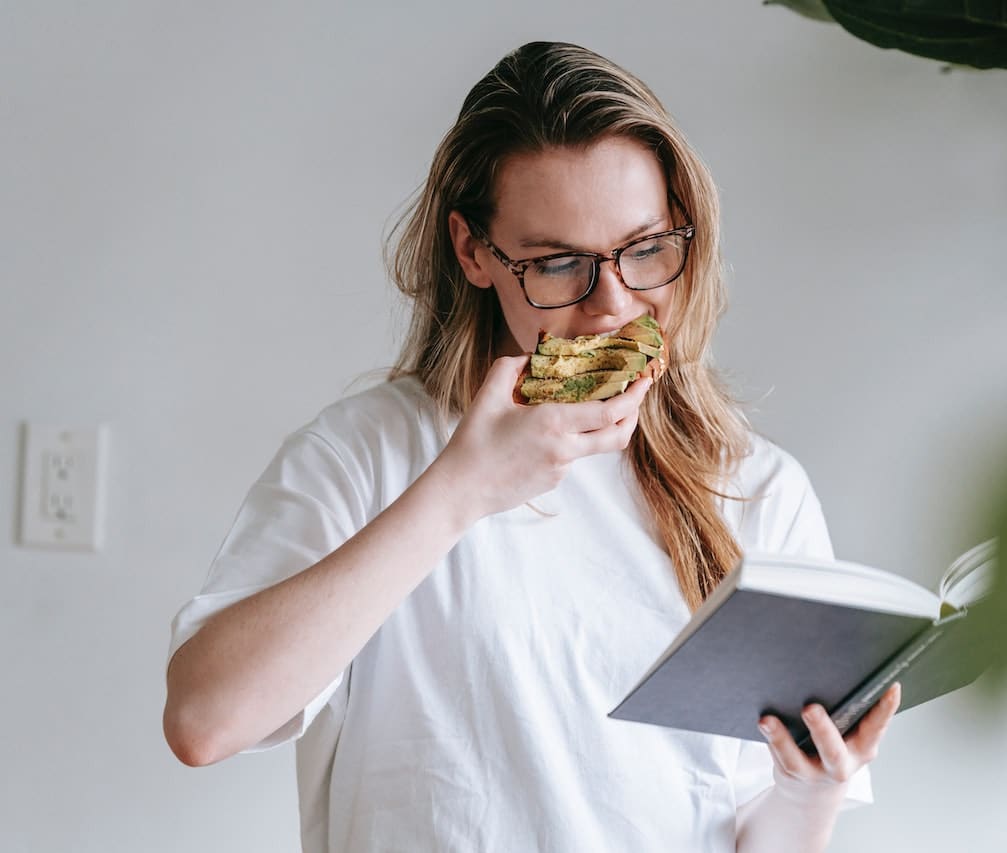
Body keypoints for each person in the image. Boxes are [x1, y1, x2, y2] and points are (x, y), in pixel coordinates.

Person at [163, 40, 901, 853]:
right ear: (474, 250)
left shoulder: (758, 488)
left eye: (647, 249)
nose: (614, 305)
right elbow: (204, 721)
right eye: (558, 264)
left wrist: (812, 786)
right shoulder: (366, 454)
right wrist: (459, 491)